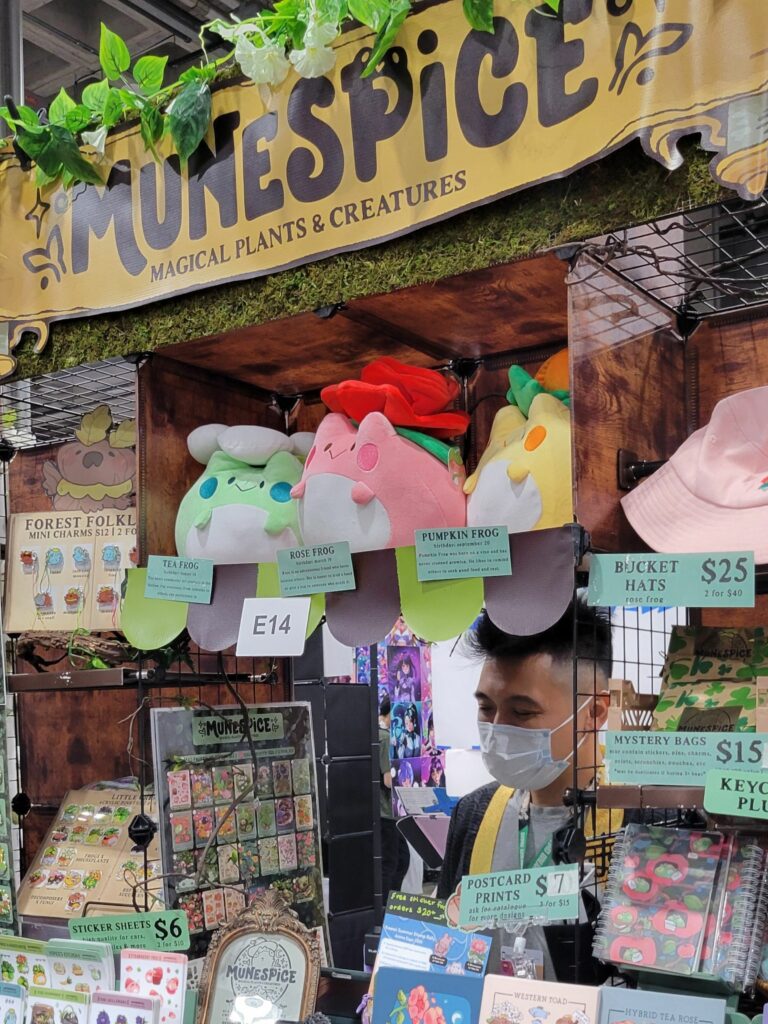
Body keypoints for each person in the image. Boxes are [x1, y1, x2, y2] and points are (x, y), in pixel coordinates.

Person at [437, 596, 617, 983]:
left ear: (595, 711)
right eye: (486, 708)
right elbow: (444, 946)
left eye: (522, 712)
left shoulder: (634, 823)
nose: (498, 729)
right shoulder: (474, 815)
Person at [379, 695, 409, 901]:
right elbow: (388, 779)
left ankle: (390, 909)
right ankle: (387, 910)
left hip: (387, 812)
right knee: (393, 863)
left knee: (398, 861)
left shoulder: (380, 735)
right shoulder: (385, 737)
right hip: (387, 811)